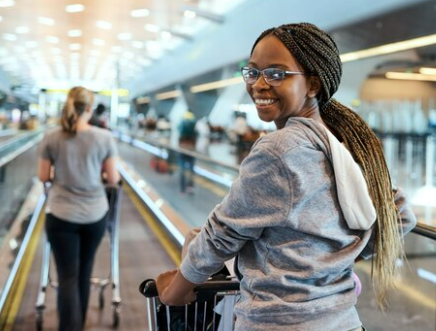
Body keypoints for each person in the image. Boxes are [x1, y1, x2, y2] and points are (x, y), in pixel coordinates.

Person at [155, 23, 416, 330]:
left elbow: (222, 233)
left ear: (313, 85)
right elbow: (400, 215)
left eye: (277, 74)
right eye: (253, 72)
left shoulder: (279, 148)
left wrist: (176, 290)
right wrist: (330, 265)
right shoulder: (343, 143)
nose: (259, 85)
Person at [37, 86, 120, 331]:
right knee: (84, 273)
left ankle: (68, 327)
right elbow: (113, 178)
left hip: (61, 215)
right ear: (90, 108)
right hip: (94, 215)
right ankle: (78, 325)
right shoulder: (104, 137)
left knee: (67, 277)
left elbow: (43, 176)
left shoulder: (51, 136)